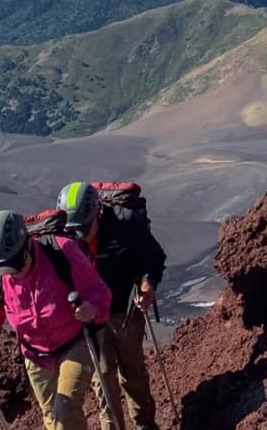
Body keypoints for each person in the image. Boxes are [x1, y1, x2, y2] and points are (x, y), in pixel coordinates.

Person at [0, 209, 112, 430]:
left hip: (75, 344)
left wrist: (92, 309)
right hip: (35, 353)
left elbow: (100, 293)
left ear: (27, 245)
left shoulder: (62, 250)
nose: (10, 273)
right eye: (3, 268)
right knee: (52, 419)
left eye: (14, 264)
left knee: (65, 411)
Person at [58, 181, 167, 430]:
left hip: (124, 308)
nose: (83, 235)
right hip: (92, 316)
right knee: (103, 378)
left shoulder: (125, 222)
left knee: (133, 372)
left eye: (86, 227)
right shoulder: (67, 236)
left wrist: (147, 286)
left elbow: (153, 257)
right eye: (77, 230)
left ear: (99, 212)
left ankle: (145, 424)